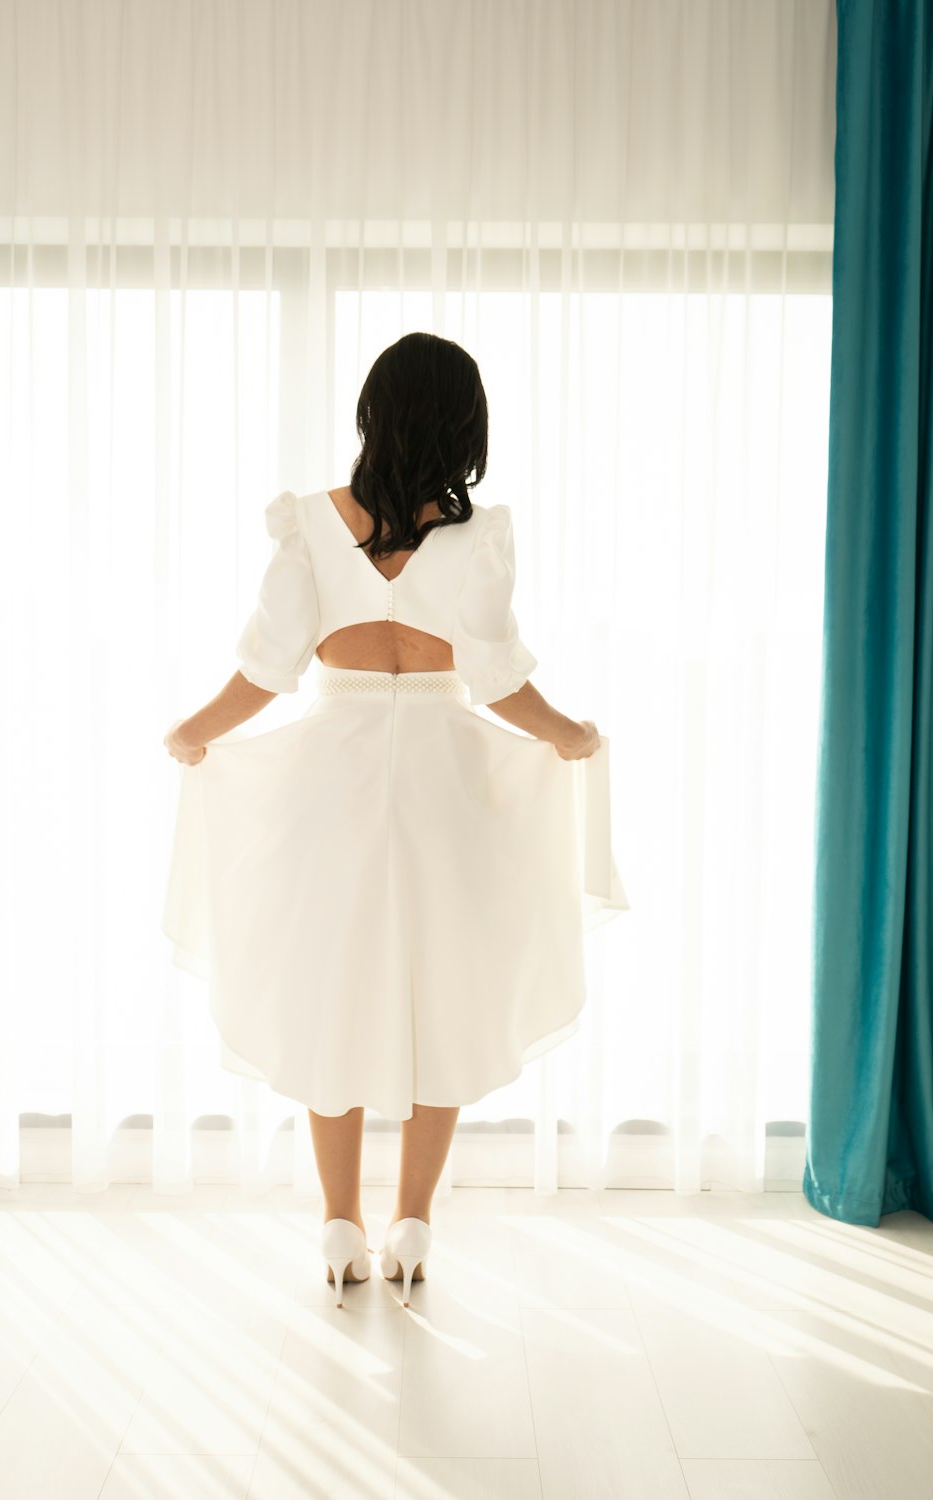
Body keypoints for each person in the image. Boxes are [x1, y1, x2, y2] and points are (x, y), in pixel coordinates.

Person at [162, 332, 613, 1308]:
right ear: (464, 427)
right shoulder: (480, 532)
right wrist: (570, 734)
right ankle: (412, 1223)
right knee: (443, 994)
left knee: (336, 994)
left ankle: (339, 1227)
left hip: (333, 785)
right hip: (448, 789)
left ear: (372, 413)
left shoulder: (309, 527)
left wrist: (191, 732)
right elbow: (494, 681)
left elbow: (267, 670)